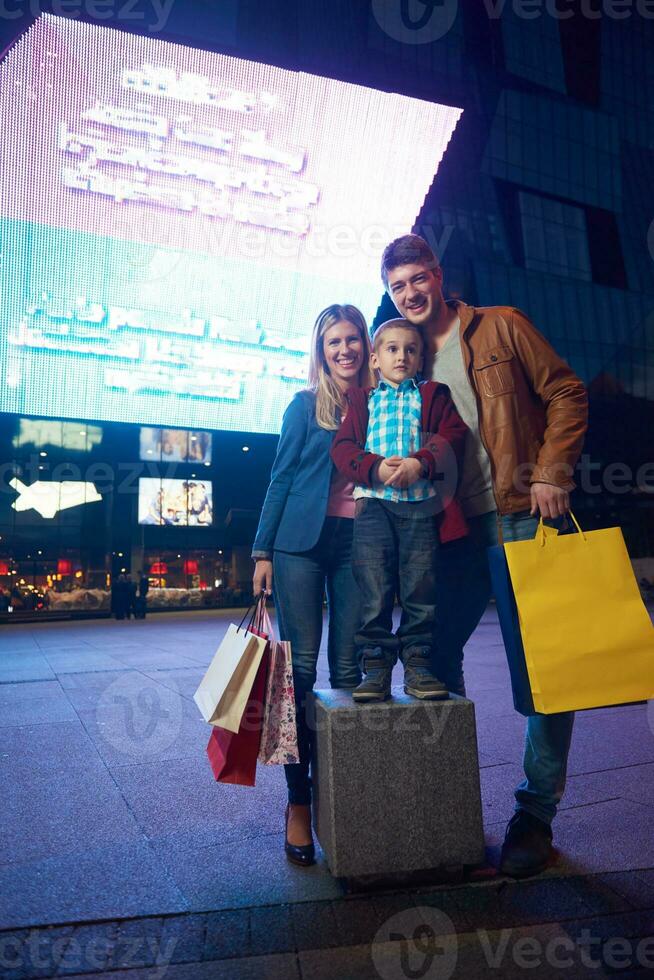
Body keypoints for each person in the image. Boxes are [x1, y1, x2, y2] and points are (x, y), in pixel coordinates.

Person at [381, 234, 588, 878]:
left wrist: (552, 470)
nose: (411, 293)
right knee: (434, 655)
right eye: (398, 286)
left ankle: (535, 814)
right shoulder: (407, 360)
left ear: (439, 277)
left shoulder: (500, 327)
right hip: (454, 530)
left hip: (520, 517)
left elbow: (566, 392)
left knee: (543, 669)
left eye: (418, 279)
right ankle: (451, 798)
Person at [251, 304, 375, 867]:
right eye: (333, 342)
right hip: (298, 545)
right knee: (299, 672)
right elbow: (280, 478)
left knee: (349, 672)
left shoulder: (385, 403)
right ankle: (298, 801)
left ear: (366, 345)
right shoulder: (303, 407)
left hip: (359, 544)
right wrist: (261, 550)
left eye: (352, 339)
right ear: (320, 351)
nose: (344, 349)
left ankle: (342, 788)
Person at [331, 318, 468, 702]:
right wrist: (373, 467)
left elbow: (453, 437)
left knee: (420, 587)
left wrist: (419, 463)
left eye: (410, 349)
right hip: (372, 507)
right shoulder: (363, 401)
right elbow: (342, 449)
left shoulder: (431, 394)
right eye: (392, 349)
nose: (401, 356)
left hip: (419, 508)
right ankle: (375, 668)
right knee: (373, 589)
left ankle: (419, 666)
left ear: (420, 357)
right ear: (374, 359)